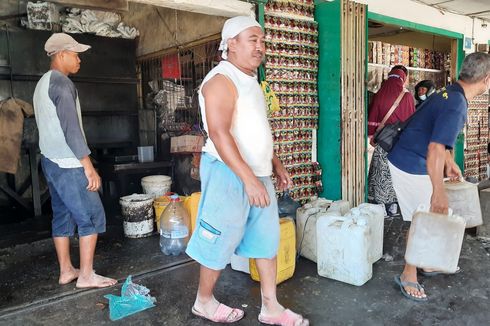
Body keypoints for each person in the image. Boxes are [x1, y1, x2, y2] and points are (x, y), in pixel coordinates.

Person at [185, 16, 308, 325]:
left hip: (257, 173)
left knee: (266, 239)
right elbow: (219, 133)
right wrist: (248, 178)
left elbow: (256, 129)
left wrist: (273, 161)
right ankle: (204, 301)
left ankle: (270, 306)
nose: (260, 46)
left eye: (262, 40)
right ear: (231, 44)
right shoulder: (221, 80)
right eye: (252, 39)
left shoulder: (250, 80)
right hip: (230, 172)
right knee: (219, 238)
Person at [388, 52, 490, 301]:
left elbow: (437, 138)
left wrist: (450, 162)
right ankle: (408, 274)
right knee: (422, 218)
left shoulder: (452, 92)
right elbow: (434, 148)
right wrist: (439, 191)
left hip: (411, 156)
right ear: (486, 79)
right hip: (410, 162)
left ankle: (426, 262)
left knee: (427, 215)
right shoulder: (456, 102)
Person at [33, 33, 117, 289]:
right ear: (61, 55)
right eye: (75, 54)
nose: (79, 59)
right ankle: (87, 275)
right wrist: (89, 167)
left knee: (62, 216)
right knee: (90, 217)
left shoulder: (43, 83)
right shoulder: (61, 84)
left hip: (51, 161)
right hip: (69, 165)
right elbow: (72, 130)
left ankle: (67, 270)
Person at [367, 65, 415, 216]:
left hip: (383, 141)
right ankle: (394, 205)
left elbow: (373, 117)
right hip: (399, 143)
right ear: (403, 78)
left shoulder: (380, 93)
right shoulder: (406, 96)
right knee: (396, 174)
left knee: (381, 173)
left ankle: (380, 205)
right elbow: (411, 120)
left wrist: (371, 135)